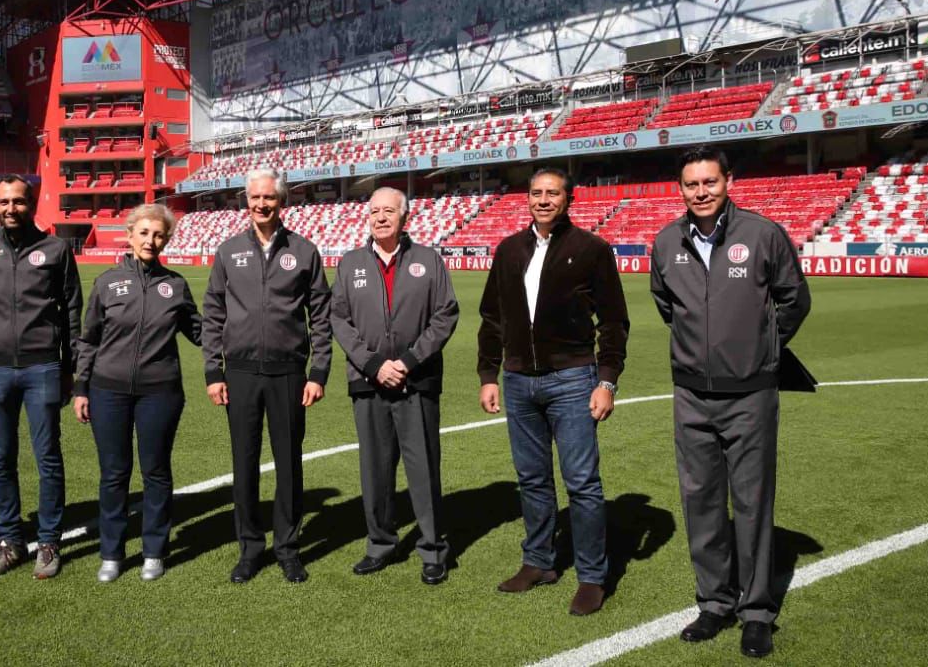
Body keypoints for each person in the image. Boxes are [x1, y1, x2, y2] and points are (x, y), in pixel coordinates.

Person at [650, 147, 811, 659]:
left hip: (750, 396)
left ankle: (757, 612)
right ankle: (714, 603)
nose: (701, 192)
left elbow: (795, 299)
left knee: (752, 503)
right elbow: (667, 305)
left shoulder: (762, 234)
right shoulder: (666, 242)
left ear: (728, 182)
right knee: (700, 503)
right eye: (691, 184)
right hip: (691, 396)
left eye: (710, 182)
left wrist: (761, 350)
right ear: (681, 188)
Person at [477, 167, 629, 617]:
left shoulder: (592, 249)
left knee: (582, 482)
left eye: (552, 193)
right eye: (536, 193)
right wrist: (489, 374)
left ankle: (592, 577)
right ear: (527, 198)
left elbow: (614, 321)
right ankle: (539, 562)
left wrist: (606, 380)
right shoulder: (509, 250)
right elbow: (492, 317)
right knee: (532, 478)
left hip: (573, 379)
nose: (543, 200)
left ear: (568, 199)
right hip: (518, 381)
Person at [201, 167, 333, 584]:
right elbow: (213, 313)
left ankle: (288, 549)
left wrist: (319, 371)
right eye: (255, 197)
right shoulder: (228, 251)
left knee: (289, 463)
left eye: (269, 198)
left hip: (289, 374)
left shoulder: (305, 251)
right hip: (239, 374)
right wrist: (213, 371)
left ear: (281, 202)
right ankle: (250, 549)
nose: (262, 204)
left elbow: (322, 316)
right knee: (244, 464)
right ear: (247, 201)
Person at [330, 187, 459, 585]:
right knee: (375, 471)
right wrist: (373, 365)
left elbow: (445, 314)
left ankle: (433, 549)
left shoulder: (428, 260)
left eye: (389, 211)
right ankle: (380, 544)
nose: (381, 217)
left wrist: (407, 362)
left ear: (406, 217)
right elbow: (339, 319)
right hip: (368, 384)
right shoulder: (350, 263)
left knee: (423, 469)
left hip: (416, 383)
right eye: (374, 211)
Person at [72, 204, 201, 583]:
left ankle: (154, 550)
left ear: (167, 240)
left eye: (158, 234)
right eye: (144, 233)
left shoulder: (176, 285)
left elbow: (199, 331)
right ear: (129, 236)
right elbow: (89, 340)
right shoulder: (107, 283)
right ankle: (111, 553)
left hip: (160, 393)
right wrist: (81, 388)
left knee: (156, 471)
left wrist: (241, 331)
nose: (150, 240)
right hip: (107, 391)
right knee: (114, 474)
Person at [0, 174, 82, 580]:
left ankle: (48, 541)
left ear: (31, 204)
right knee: (1, 459)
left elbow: (72, 312)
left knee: (48, 456)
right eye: (4, 202)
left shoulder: (55, 249)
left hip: (43, 368)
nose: (11, 208)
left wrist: (69, 368)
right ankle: (10, 540)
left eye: (18, 201)